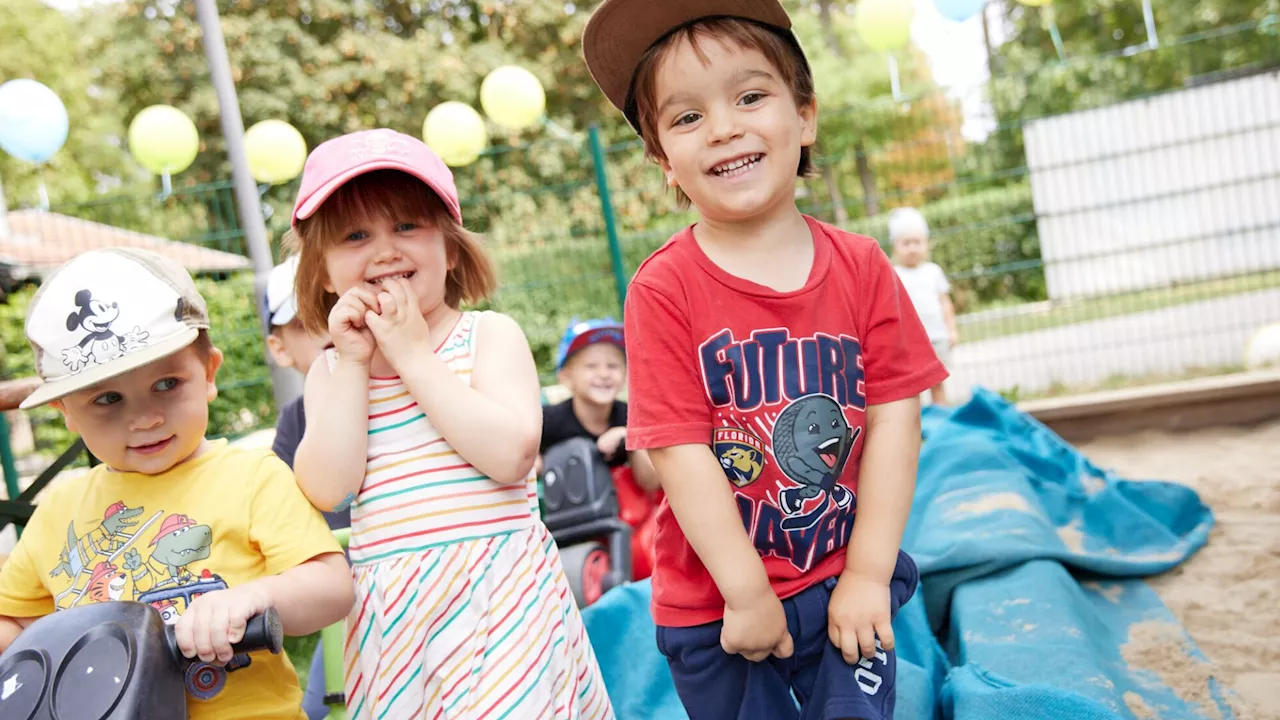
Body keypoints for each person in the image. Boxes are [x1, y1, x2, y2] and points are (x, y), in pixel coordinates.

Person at [582, 2, 949, 719]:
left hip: (842, 576)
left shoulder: (865, 266)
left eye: (750, 96)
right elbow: (680, 454)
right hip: (715, 602)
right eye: (687, 118)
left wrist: (871, 574)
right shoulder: (663, 289)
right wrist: (746, 592)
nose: (723, 126)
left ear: (805, 116)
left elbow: (897, 423)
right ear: (662, 158)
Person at [287, 128, 614, 719]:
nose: (385, 250)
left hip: (501, 597)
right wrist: (357, 363)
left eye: (407, 226)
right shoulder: (334, 369)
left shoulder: (488, 336)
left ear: (452, 249)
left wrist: (413, 355)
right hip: (399, 615)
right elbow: (327, 487)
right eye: (356, 236)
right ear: (325, 274)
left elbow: (512, 455)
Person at [0, 247, 353, 719]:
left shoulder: (251, 477)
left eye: (167, 384)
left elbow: (333, 588)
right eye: (107, 398)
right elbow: (13, 622)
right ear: (65, 412)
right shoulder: (58, 512)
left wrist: (253, 597)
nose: (144, 418)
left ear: (208, 374)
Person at [262, 250, 348, 720]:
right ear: (280, 348)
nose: (327, 329)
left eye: (332, 308)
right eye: (305, 321)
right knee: (322, 708)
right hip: (346, 606)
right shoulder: (294, 423)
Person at [539, 317, 659, 493]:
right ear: (566, 377)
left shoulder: (633, 417)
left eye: (612, 366)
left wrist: (630, 438)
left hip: (628, 515)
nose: (604, 374)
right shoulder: (548, 421)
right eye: (591, 366)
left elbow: (651, 484)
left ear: (626, 375)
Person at [888, 207, 957, 406]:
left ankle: (941, 420)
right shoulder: (894, 274)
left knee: (938, 383)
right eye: (906, 243)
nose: (912, 248)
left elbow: (945, 303)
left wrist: (951, 329)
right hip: (909, 341)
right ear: (895, 247)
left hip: (937, 338)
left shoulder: (933, 272)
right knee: (913, 386)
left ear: (927, 244)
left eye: (917, 242)